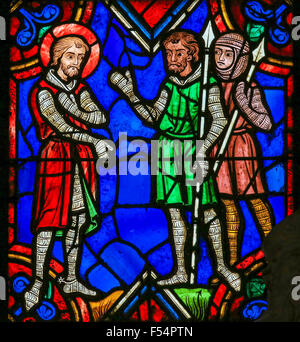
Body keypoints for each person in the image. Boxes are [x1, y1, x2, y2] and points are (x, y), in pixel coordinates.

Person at [110, 30, 241, 291]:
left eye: (178, 53)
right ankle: (181, 271)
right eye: (168, 53)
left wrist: (203, 147)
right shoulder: (168, 86)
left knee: (208, 212)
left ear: (192, 55)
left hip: (193, 149)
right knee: (175, 215)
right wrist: (130, 93)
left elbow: (220, 120)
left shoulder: (206, 85)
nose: (171, 58)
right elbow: (153, 118)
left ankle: (223, 267)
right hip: (166, 150)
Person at [24, 35, 110, 311]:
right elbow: (59, 126)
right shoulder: (43, 90)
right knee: (49, 221)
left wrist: (75, 109)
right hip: (56, 158)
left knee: (79, 218)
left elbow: (101, 117)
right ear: (57, 57)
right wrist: (93, 139)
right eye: (71, 56)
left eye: (81, 58)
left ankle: (70, 277)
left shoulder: (80, 88)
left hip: (80, 160)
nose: (76, 63)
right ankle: (37, 282)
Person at [211, 33, 274, 267]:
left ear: (241, 59)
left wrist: (244, 104)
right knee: (227, 205)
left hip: (242, 148)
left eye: (228, 54)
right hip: (218, 148)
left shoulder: (249, 87)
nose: (221, 59)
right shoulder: (211, 86)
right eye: (217, 52)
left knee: (256, 201)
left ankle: (274, 252)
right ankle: (232, 261)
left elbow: (266, 123)